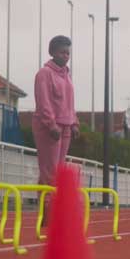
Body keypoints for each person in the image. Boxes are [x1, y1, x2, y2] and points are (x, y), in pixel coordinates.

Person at [33, 35, 79, 186]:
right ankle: (47, 205)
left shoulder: (67, 75)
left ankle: (51, 203)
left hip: (66, 125)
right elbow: (43, 102)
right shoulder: (44, 73)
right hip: (49, 128)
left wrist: (75, 124)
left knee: (58, 169)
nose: (65, 56)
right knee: (49, 169)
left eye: (68, 53)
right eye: (62, 52)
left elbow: (69, 102)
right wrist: (51, 124)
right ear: (52, 52)